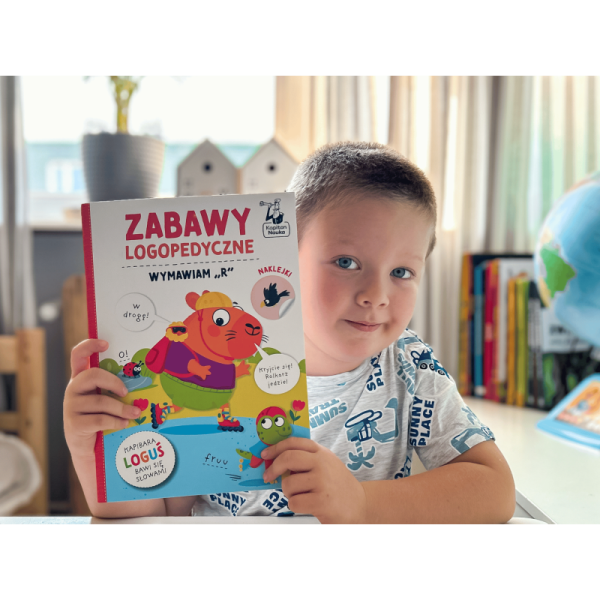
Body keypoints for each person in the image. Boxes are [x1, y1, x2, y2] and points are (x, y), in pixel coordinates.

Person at [64, 141, 515, 524]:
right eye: (346, 263)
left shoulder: (409, 365)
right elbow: (158, 513)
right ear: (282, 256)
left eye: (402, 272)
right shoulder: (227, 355)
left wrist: (360, 502)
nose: (376, 295)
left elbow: (494, 489)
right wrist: (92, 449)